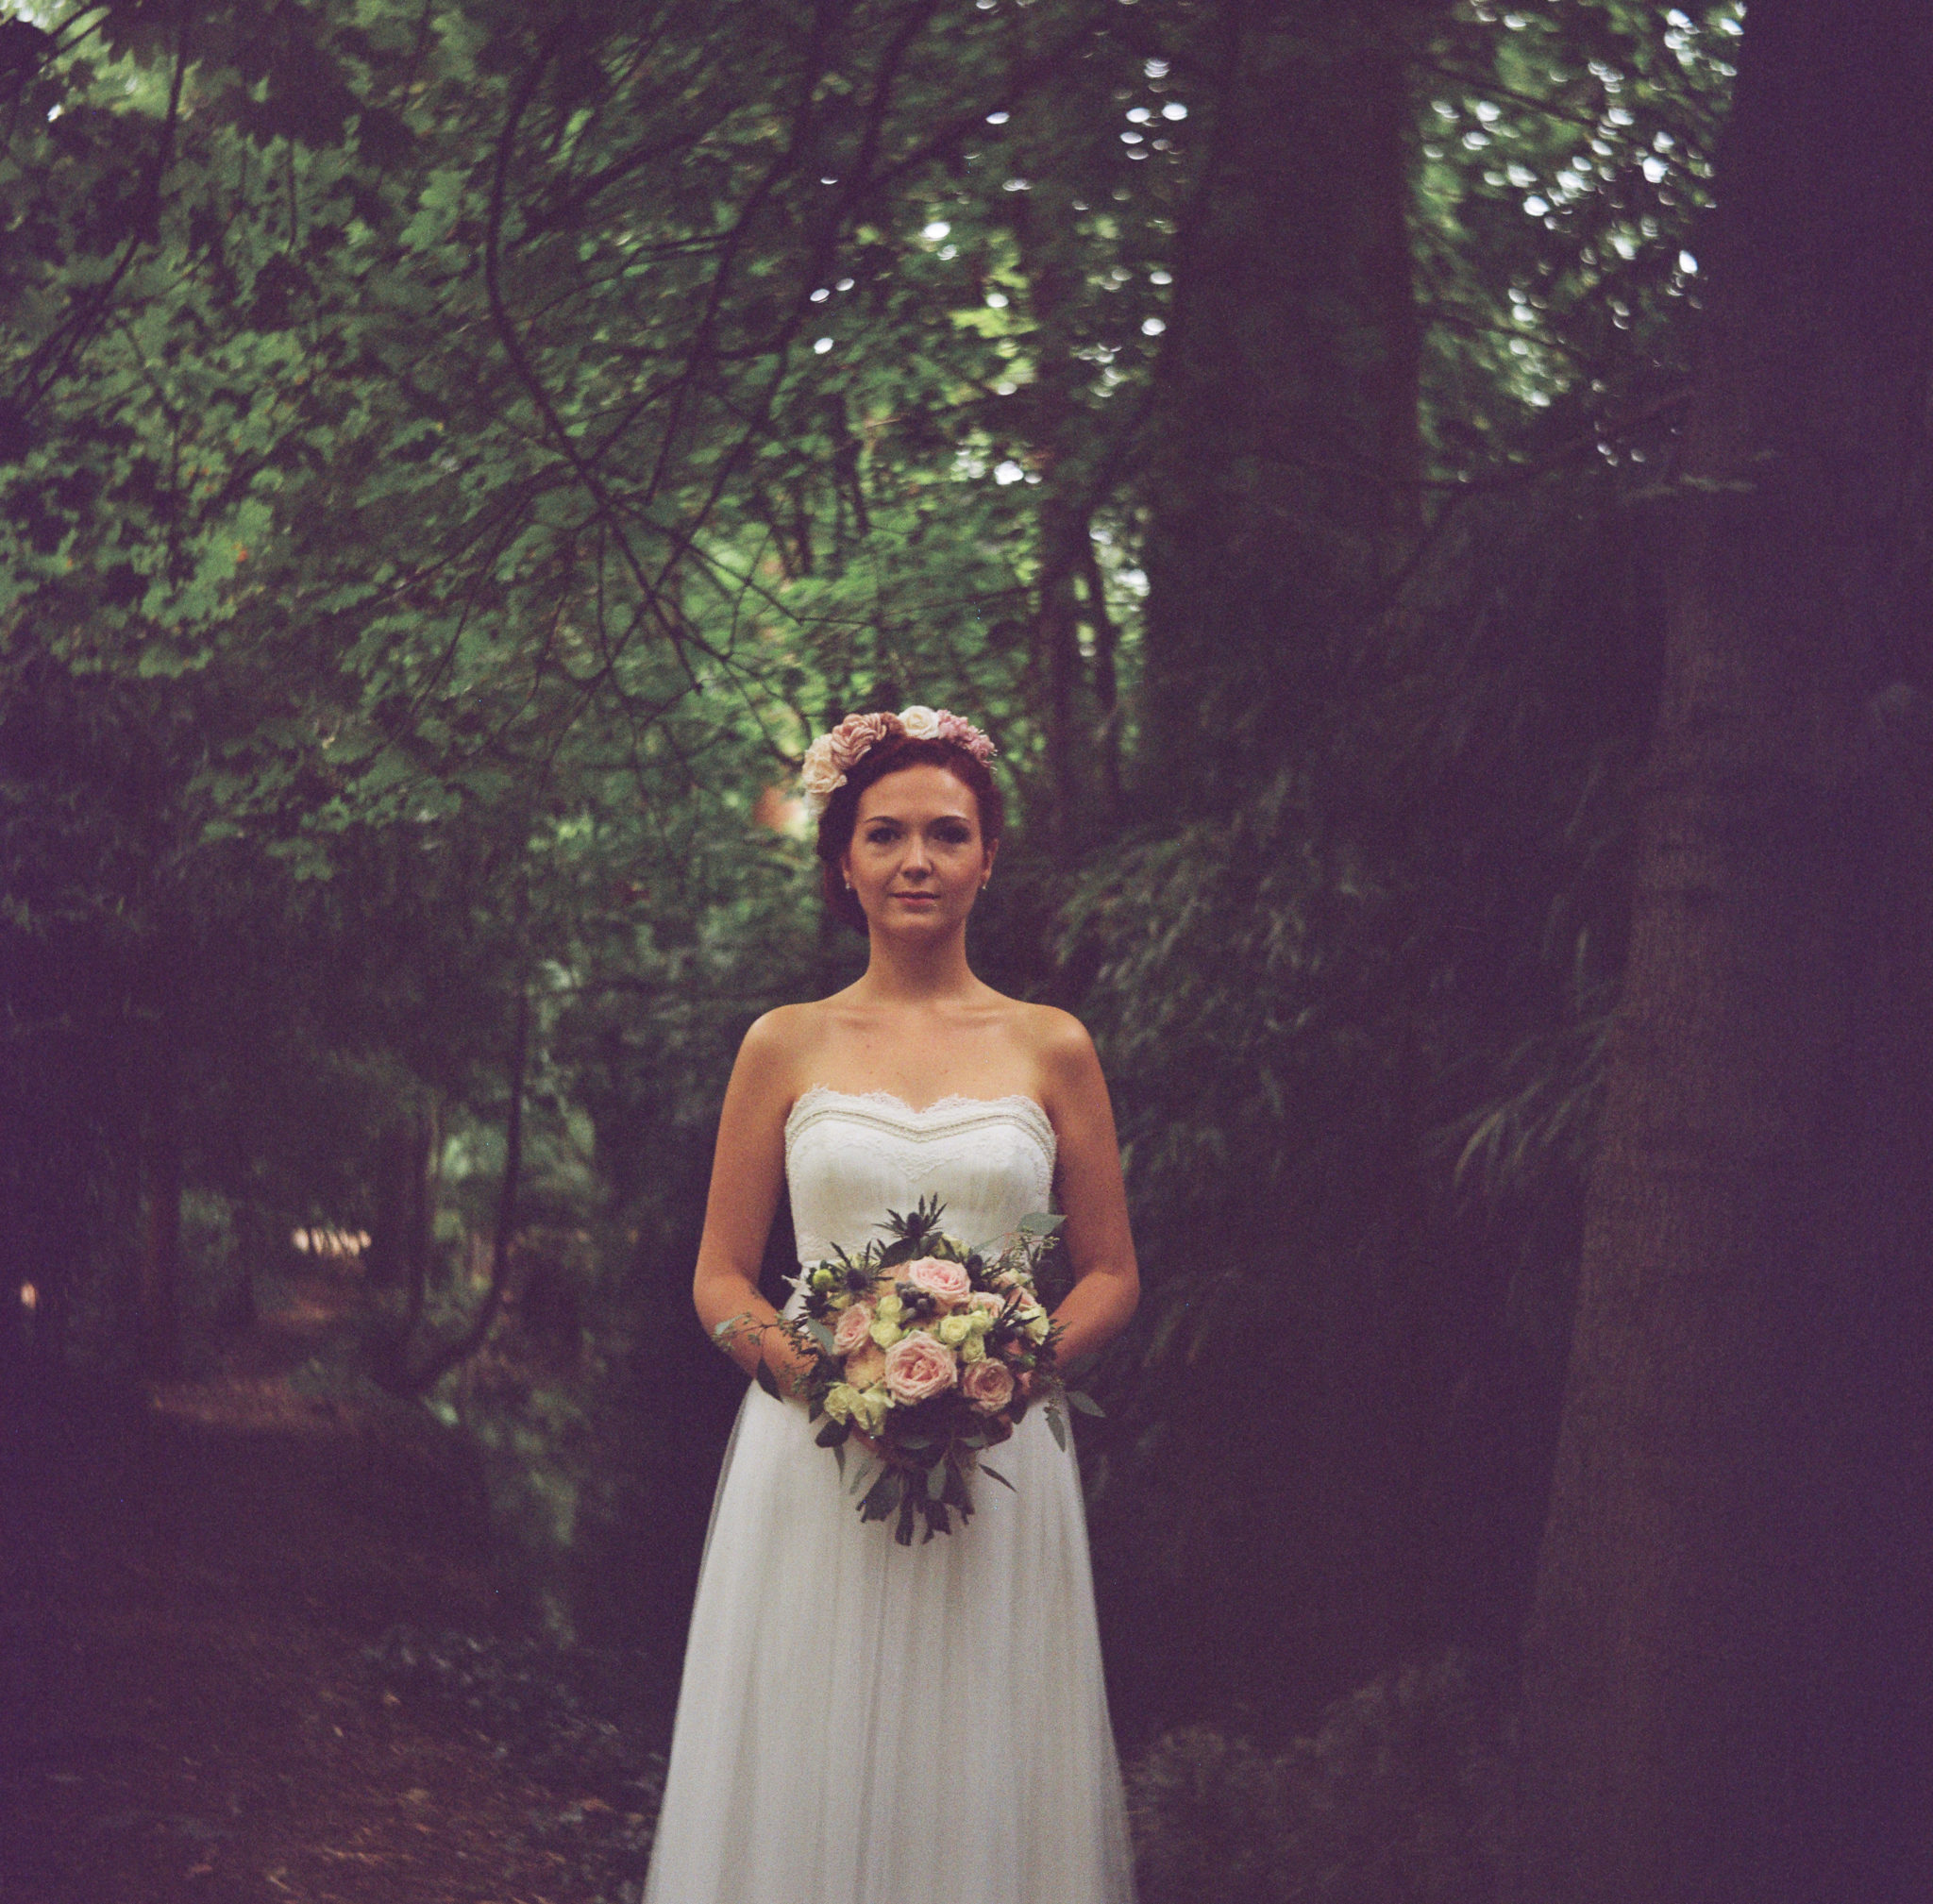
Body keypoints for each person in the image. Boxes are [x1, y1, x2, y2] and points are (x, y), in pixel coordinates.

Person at [641, 706, 1140, 1904]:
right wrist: (828, 1380)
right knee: (805, 1767)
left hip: (1001, 1468)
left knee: (975, 1764)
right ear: (842, 863)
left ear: (987, 858)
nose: (916, 859)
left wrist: (1006, 1376)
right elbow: (718, 1275)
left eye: (946, 833)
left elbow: (1113, 1272)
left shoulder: (1052, 1046)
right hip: (810, 1466)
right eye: (885, 834)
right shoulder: (783, 1043)